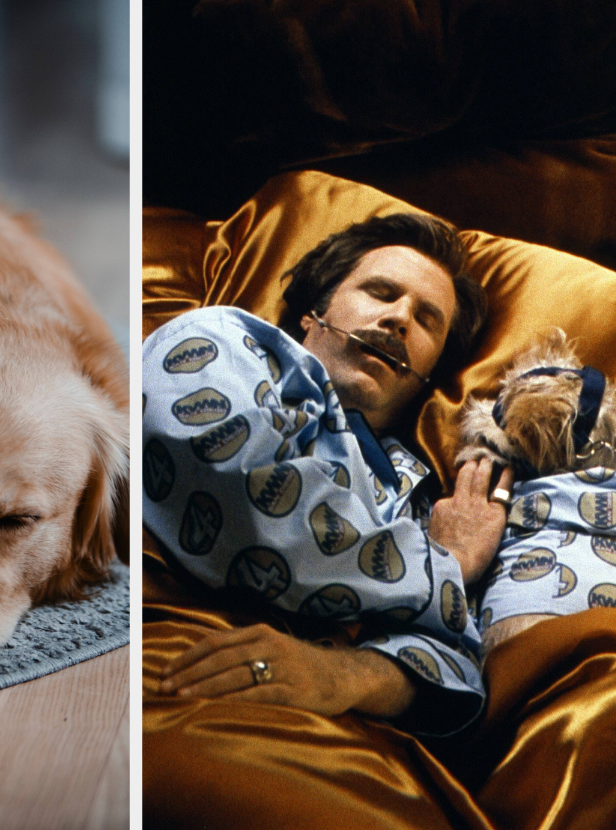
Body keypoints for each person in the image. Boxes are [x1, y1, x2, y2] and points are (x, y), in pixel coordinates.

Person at [141, 212, 511, 735]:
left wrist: (342, 676)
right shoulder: (225, 339)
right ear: (315, 312)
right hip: (164, 645)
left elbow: (458, 661)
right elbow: (236, 486)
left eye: (428, 320)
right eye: (381, 292)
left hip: (324, 716)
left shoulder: (417, 496)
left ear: (430, 372)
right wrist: (444, 564)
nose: (400, 318)